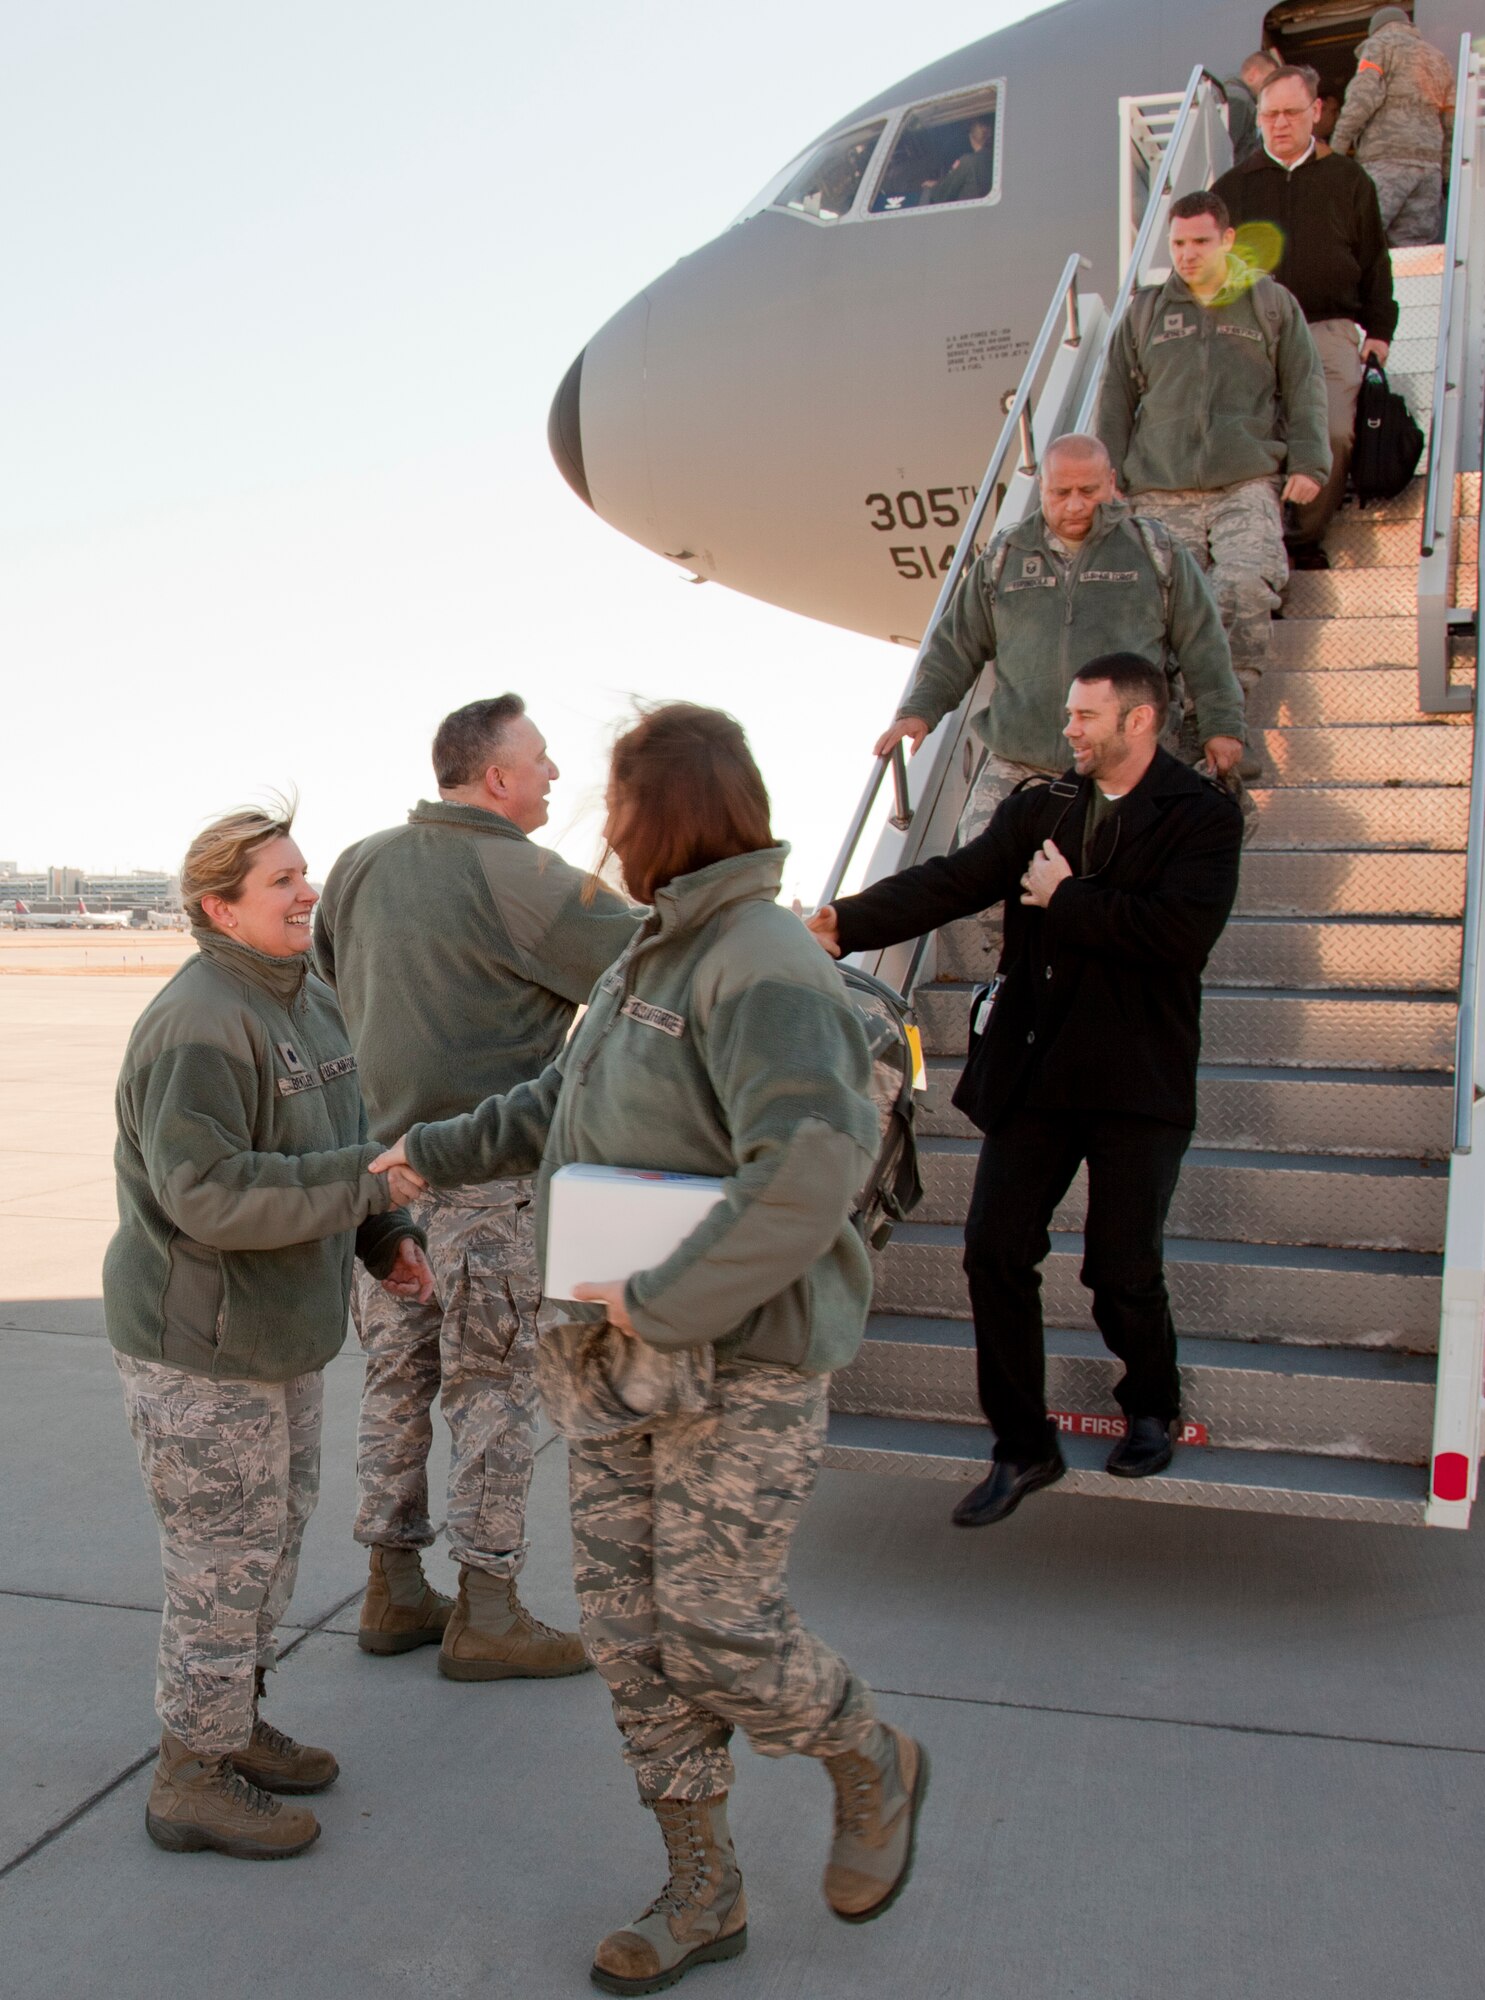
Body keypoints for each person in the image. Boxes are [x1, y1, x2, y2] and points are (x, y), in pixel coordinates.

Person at [371, 704, 929, 1993]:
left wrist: (665, 1297)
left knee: (719, 1626)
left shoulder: (762, 963)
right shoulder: (644, 956)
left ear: (671, 812)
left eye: (618, 804)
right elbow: (554, 1102)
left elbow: (809, 1171)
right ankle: (702, 1887)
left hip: (737, 1361)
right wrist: (428, 1151)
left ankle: (866, 1752)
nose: (603, 824)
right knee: (632, 1637)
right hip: (613, 1359)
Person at [811, 656, 1242, 1525]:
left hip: (1138, 1080)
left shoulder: (1201, 815)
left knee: (1121, 1266)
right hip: (1037, 1072)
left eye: (1086, 717)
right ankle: (1022, 1444)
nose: (1069, 729)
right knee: (993, 1253)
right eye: (1070, 713)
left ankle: (1150, 1405)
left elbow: (1177, 935)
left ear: (1139, 721)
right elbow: (955, 880)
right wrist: (844, 923)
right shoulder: (1042, 806)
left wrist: (1065, 899)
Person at [106, 803, 433, 1860]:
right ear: (221, 907)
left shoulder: (309, 998)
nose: (307, 893)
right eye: (281, 881)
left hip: (282, 1334)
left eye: (304, 873)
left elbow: (349, 1136)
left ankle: (231, 1722)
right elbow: (204, 1192)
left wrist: (384, 1235)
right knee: (221, 1559)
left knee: (273, 1540)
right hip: (202, 1348)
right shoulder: (198, 1024)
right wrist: (366, 1185)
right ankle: (190, 1774)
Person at [314, 694, 637, 1679]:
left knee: (395, 1382)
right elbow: (661, 973)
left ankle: (392, 1587)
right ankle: (488, 1610)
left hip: (384, 1186)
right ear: (496, 778)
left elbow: (325, 999)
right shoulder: (532, 877)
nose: (554, 775)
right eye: (540, 760)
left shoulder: (360, 863)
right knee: (493, 1395)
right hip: (489, 1184)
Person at [873, 432, 1245, 846]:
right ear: (1042, 487)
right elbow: (956, 646)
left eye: (1088, 491)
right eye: (1061, 492)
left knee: (1118, 880)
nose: (1075, 505)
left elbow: (1203, 645)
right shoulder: (1003, 558)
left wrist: (1222, 725)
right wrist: (919, 710)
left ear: (1111, 482)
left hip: (1123, 764)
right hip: (1020, 762)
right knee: (978, 874)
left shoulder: (1156, 552)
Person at [1095, 189, 1330, 729]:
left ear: (1227, 240)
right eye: (1178, 243)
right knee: (1159, 611)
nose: (1187, 254)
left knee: (1242, 589)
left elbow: (1305, 384)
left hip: (1244, 482)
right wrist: (1108, 473)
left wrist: (1309, 463)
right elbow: (1115, 398)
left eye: (1200, 242)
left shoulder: (1270, 303)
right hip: (1159, 487)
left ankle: (1221, 721)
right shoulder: (1146, 312)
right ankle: (1169, 732)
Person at [1214, 63, 1398, 567]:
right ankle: (1261, 541)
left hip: (1327, 331)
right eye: (1269, 114)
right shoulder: (1230, 189)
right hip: (1254, 334)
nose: (1279, 123)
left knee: (1334, 433)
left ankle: (1301, 537)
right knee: (1256, 438)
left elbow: (1374, 260)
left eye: (1291, 113)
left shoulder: (1349, 180)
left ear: (1316, 112)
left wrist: (1380, 330)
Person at [1331, 7, 1456, 246]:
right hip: (1429, 171)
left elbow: (1361, 100)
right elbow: (1451, 122)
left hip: (1385, 163)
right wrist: (1446, 175)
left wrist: (1335, 152)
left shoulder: (1379, 45)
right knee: (1411, 251)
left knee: (1359, 241)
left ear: (1375, 30)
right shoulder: (1439, 60)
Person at [1220, 50, 1277, 164]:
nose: (1271, 88)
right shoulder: (1240, 99)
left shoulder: (1232, 95)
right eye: (1270, 80)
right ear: (1252, 75)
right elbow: (1224, 151)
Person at [926, 116, 995, 203]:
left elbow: (943, 195)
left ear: (971, 137)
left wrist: (934, 187)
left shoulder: (967, 161)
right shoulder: (994, 158)